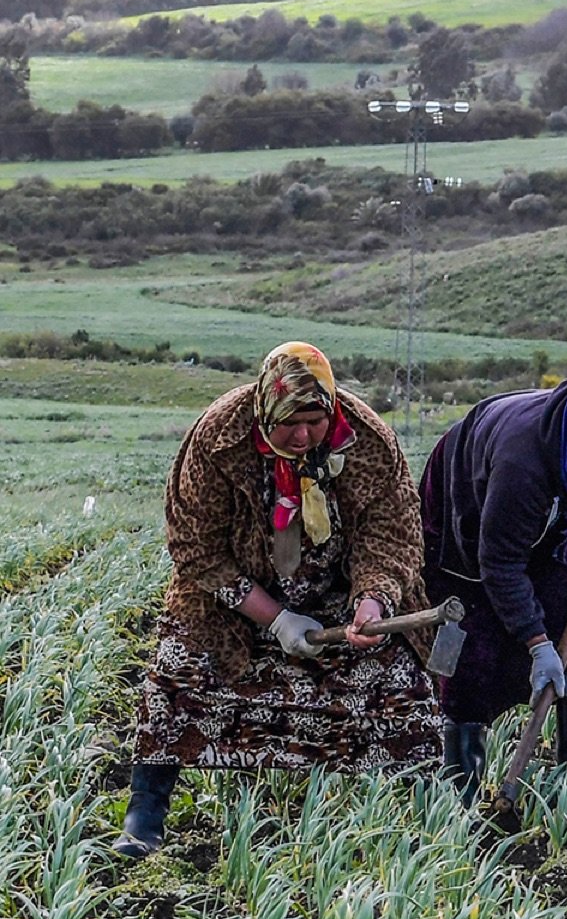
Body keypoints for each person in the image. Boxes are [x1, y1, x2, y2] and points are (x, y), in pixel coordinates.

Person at [117, 343, 439, 857]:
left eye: (315, 421)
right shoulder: (220, 437)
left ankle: (426, 817)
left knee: (399, 680)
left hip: (337, 595)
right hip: (235, 601)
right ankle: (146, 811)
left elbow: (392, 535)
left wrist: (373, 601)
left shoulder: (368, 442)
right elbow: (195, 547)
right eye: (292, 421)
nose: (305, 435)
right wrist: (274, 617)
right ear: (266, 408)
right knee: (177, 669)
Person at [419, 377, 567, 793]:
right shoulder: (522, 463)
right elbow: (498, 562)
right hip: (469, 506)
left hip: (559, 521)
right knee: (472, 639)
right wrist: (537, 644)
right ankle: (460, 789)